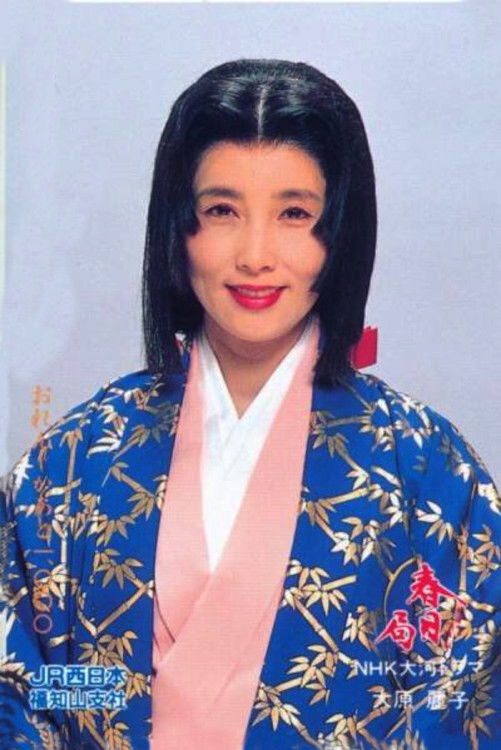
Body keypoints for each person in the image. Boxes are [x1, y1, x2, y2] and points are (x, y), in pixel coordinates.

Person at [1, 58, 499, 750]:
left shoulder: (424, 467)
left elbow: (466, 697)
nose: (255, 255)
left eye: (295, 214)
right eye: (221, 212)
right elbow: (26, 687)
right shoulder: (77, 456)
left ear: (341, 233)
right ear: (178, 228)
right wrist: (128, 696)